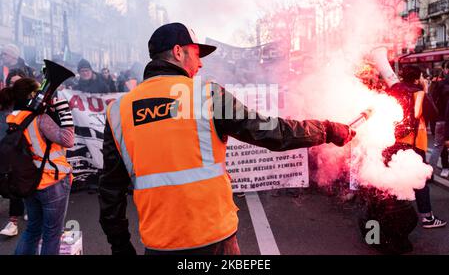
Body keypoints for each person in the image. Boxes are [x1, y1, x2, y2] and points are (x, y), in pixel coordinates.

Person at [98, 22, 355, 255]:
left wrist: (120, 246)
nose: (201, 64)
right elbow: (273, 132)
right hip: (214, 239)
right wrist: (327, 130)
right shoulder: (207, 94)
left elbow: (110, 190)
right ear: (178, 52)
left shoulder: (118, 111)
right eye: (197, 55)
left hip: (159, 244)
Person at [0, 77, 75, 255]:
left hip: (28, 182)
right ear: (32, 95)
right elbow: (68, 140)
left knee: (33, 229)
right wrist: (64, 111)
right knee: (51, 234)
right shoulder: (39, 118)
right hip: (52, 182)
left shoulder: (12, 118)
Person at [387, 66, 446, 229]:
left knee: (392, 177)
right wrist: (425, 90)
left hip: (391, 140)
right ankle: (427, 217)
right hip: (413, 143)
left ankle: (392, 214)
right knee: (420, 180)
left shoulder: (393, 90)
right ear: (417, 78)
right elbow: (434, 114)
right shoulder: (419, 93)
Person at [0, 70, 28, 237]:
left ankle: (13, 221)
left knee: (18, 181)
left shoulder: (31, 104)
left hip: (25, 150)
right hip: (5, 146)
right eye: (12, 83)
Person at [429, 62, 449, 177]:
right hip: (442, 118)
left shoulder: (439, 84)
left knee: (438, 146)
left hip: (441, 119)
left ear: (445, 69)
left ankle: (434, 171)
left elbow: (432, 103)